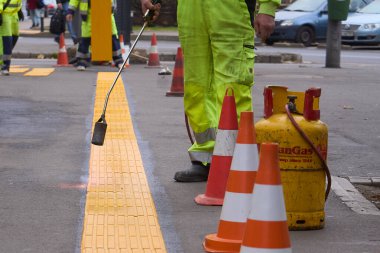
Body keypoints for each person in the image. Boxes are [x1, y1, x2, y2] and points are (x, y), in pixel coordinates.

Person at [173, 0, 280, 182]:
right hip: (191, 10)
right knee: (196, 87)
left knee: (232, 89)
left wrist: (268, 7)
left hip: (230, 9)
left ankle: (237, 161)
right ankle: (205, 159)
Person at [66, 0, 123, 71]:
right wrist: (70, 11)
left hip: (104, 12)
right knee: (85, 39)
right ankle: (82, 62)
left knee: (112, 37)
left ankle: (119, 61)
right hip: (89, 14)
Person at [0, 0, 22, 76]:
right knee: (7, 40)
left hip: (14, 14)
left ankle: (3, 62)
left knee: (15, 36)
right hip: (4, 14)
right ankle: (4, 67)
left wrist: (19, 10)